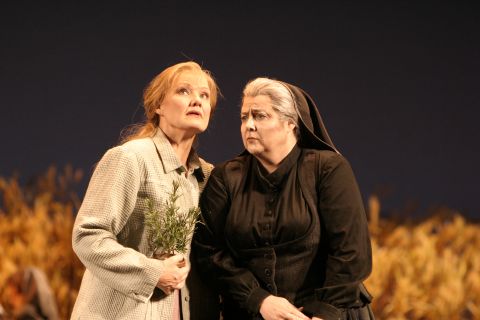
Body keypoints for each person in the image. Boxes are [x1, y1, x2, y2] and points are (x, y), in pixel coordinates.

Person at [193, 77, 375, 320]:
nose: (249, 125)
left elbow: (352, 253)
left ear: (291, 123)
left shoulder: (327, 169)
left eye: (260, 116)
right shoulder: (226, 177)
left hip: (331, 312)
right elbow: (209, 252)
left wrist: (323, 313)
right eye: (244, 117)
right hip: (253, 313)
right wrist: (259, 299)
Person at [71, 61, 220, 320]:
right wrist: (153, 272)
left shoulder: (206, 176)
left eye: (204, 95)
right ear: (158, 106)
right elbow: (87, 236)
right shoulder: (130, 158)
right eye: (184, 91)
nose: (196, 100)